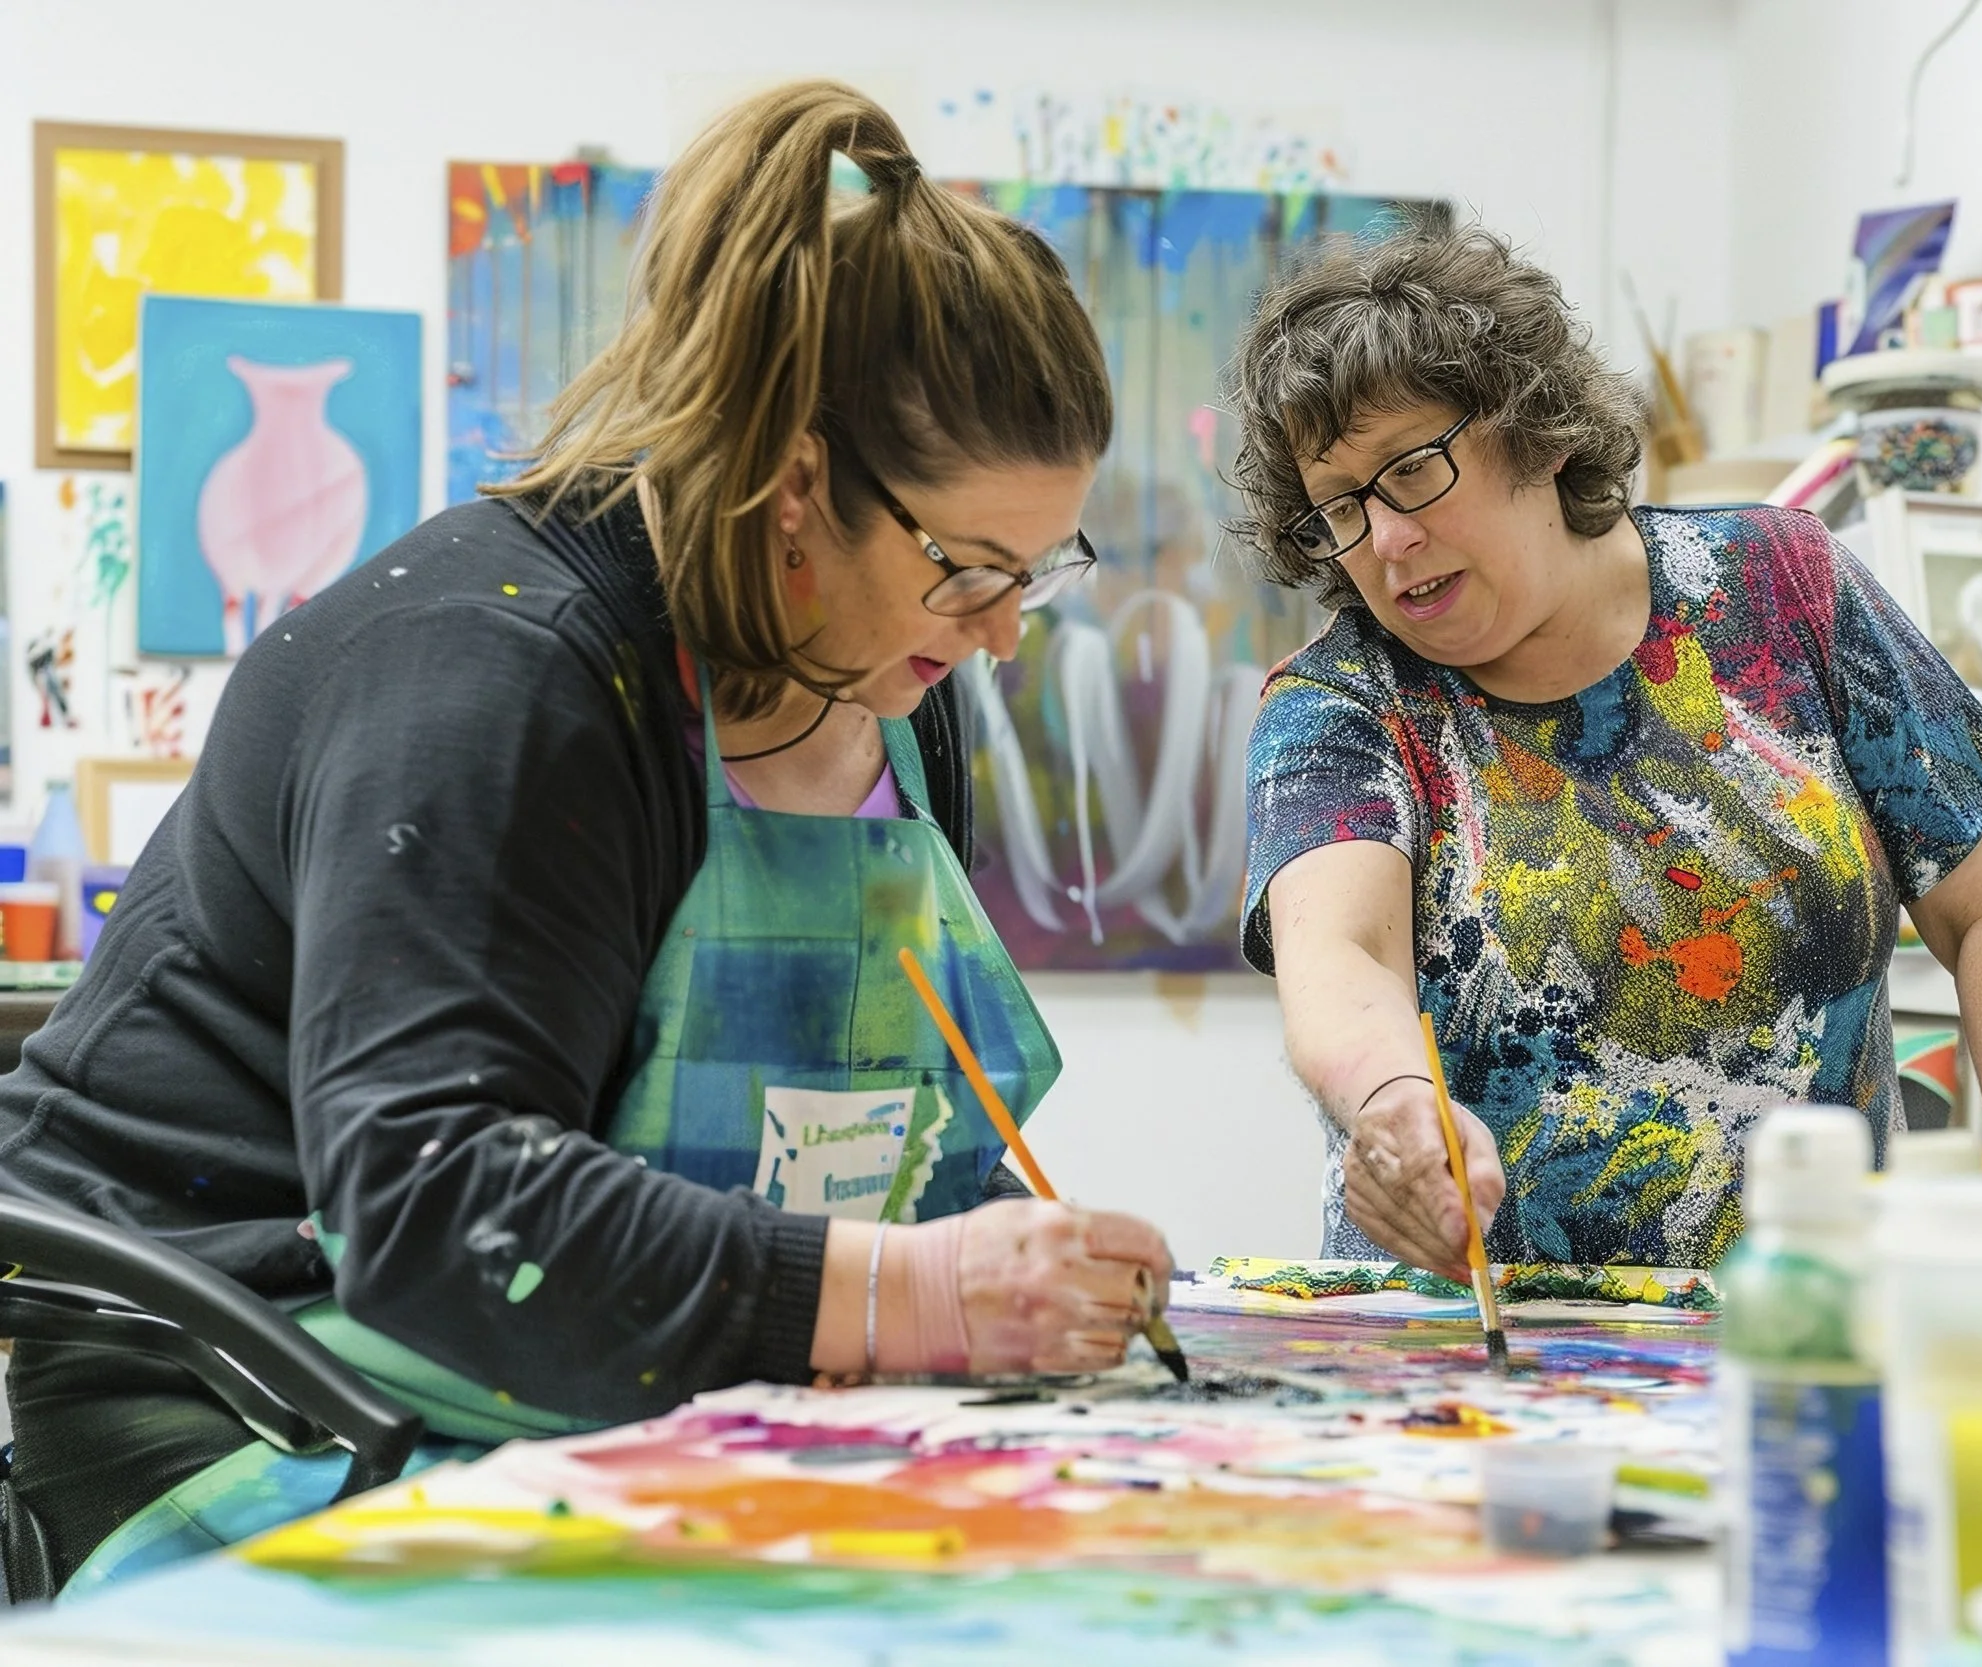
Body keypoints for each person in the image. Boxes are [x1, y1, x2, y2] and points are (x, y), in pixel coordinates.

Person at [0, 81, 1172, 1599]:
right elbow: (438, 1193)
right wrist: (909, 1295)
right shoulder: (500, 672)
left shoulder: (890, 669)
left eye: (1040, 569)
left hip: (605, 1375)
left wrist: (998, 1275)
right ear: (800, 482)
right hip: (253, 1389)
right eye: (968, 567)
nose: (1006, 630)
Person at [1227, 227, 1982, 1277]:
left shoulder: (1785, 591)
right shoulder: (1340, 702)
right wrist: (1396, 1103)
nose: (1385, 539)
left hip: (1810, 1326)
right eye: (1339, 509)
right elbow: (1337, 956)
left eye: (1411, 470)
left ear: (1533, 431)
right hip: (1479, 1370)